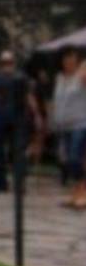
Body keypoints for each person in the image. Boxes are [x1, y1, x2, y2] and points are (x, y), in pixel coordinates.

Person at [0, 50, 31, 192]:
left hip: (1, 116)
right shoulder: (21, 77)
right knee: (17, 150)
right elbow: (27, 98)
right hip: (17, 117)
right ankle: (19, 183)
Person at [50, 47, 86, 209]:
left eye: (72, 58)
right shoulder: (59, 78)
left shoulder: (81, 76)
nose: (68, 62)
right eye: (65, 58)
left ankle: (82, 192)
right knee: (65, 161)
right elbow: (56, 101)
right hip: (63, 125)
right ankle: (77, 192)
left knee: (74, 158)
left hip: (80, 123)